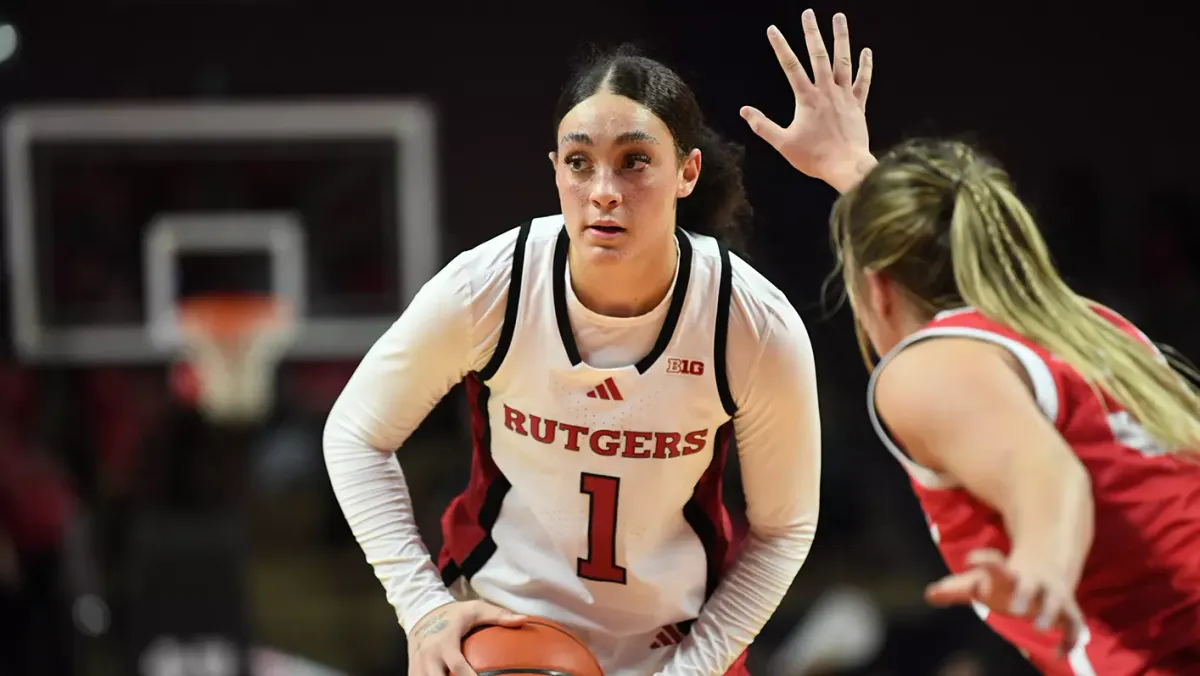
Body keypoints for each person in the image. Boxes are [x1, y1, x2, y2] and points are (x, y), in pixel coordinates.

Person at [323, 11, 874, 676]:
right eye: (580, 163)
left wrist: (693, 669)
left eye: (635, 161)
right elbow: (355, 433)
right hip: (506, 627)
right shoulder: (492, 285)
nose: (603, 192)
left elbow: (785, 529)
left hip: (681, 644)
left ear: (687, 172)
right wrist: (421, 608)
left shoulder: (748, 321)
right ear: (556, 170)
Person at [745, 25, 1200, 668]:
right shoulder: (1085, 323)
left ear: (876, 290)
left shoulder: (928, 366)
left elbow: (1046, 474)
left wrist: (1042, 566)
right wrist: (855, 171)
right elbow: (929, 247)